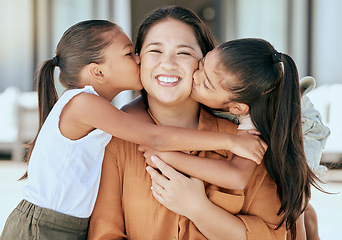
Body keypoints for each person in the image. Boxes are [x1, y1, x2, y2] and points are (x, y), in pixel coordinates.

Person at [0, 20, 266, 240]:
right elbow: (154, 136)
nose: (140, 59)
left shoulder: (107, 111)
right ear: (98, 72)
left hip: (67, 227)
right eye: (132, 53)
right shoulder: (85, 106)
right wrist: (230, 143)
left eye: (183, 52)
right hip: (40, 228)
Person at [88, 6, 293, 240]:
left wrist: (200, 210)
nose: (168, 63)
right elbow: (105, 234)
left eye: (184, 53)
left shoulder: (246, 144)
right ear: (139, 61)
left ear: (204, 62)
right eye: (155, 51)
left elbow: (274, 234)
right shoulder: (114, 142)